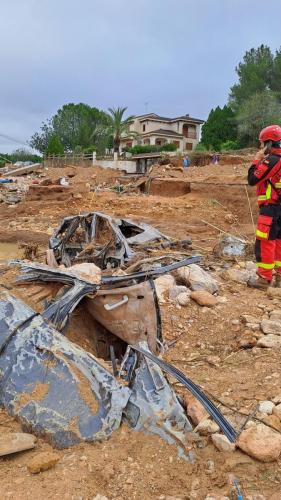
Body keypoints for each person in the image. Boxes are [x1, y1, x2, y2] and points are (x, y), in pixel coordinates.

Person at [248, 124, 281, 289]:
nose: (261, 146)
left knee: (265, 242)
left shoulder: (272, 160)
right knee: (279, 241)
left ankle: (264, 279)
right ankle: (279, 278)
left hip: (270, 208)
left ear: (269, 143)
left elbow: (252, 179)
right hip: (279, 209)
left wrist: (256, 160)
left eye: (262, 143)